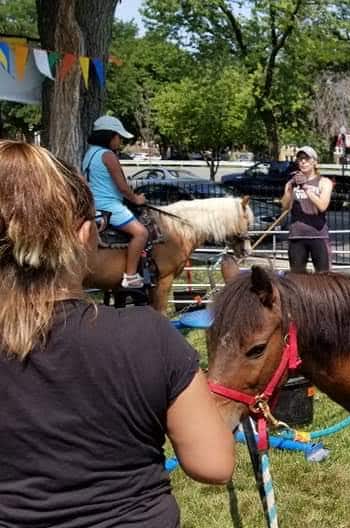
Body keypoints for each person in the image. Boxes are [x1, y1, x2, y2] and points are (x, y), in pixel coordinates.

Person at [0, 140, 234, 527]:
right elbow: (214, 465)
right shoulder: (149, 335)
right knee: (139, 233)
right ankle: (130, 272)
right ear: (84, 235)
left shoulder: (94, 157)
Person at [82, 115, 148, 288]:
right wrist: (137, 199)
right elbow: (123, 188)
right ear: (109, 136)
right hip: (109, 206)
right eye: (118, 137)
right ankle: (131, 275)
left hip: (94, 205)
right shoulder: (108, 156)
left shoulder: (90, 153)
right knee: (141, 233)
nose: (119, 141)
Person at [281, 146, 335, 273]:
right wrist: (290, 189)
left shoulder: (324, 182)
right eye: (300, 159)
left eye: (306, 159)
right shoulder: (291, 183)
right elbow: (284, 207)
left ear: (315, 162)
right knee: (297, 278)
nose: (303, 162)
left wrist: (305, 187)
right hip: (297, 236)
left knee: (323, 276)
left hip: (318, 235)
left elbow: (322, 206)